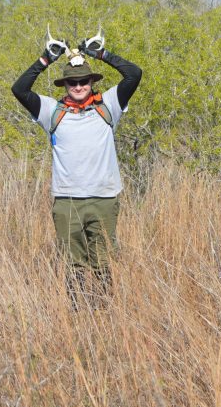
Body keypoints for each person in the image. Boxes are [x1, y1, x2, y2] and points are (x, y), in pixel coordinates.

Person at [11, 33, 142, 300]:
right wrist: (46, 59)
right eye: (73, 82)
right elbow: (20, 89)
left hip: (103, 199)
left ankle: (105, 313)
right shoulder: (52, 111)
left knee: (103, 263)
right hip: (67, 201)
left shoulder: (109, 106)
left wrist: (102, 54)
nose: (79, 86)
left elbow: (134, 74)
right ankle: (77, 316)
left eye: (84, 81)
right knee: (73, 266)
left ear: (92, 81)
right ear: (65, 84)